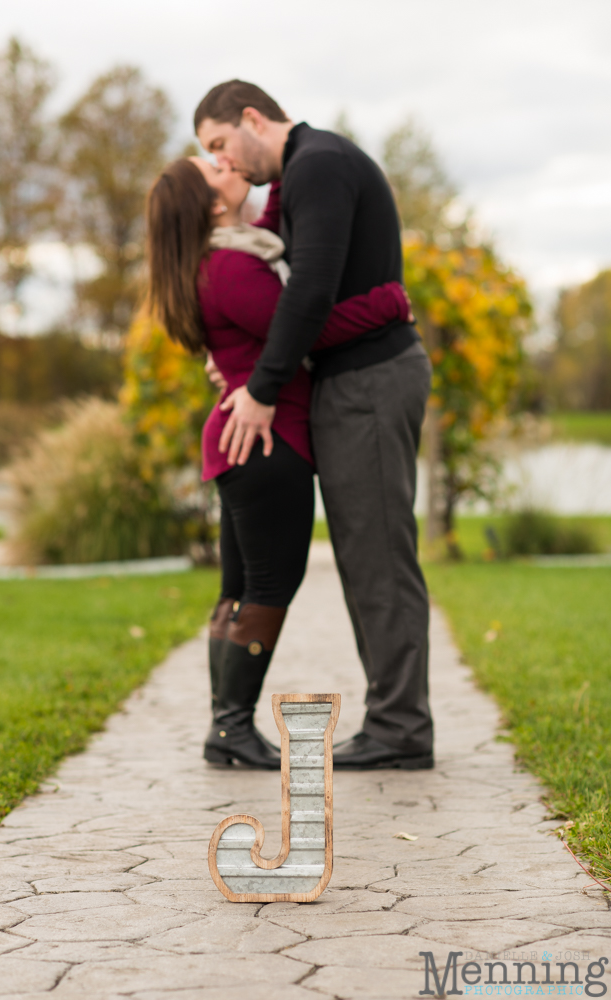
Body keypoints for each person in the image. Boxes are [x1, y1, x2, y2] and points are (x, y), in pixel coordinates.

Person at [194, 80, 434, 771]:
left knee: (377, 558)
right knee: (365, 557)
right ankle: (392, 723)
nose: (225, 164)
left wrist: (262, 386)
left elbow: (312, 286)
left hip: (369, 381)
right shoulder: (291, 185)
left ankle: (400, 730)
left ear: (249, 118)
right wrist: (242, 369)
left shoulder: (318, 164)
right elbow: (271, 289)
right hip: (346, 380)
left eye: (219, 146)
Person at [146, 156, 412, 769]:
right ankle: (232, 726)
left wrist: (290, 160)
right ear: (213, 204)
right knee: (269, 587)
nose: (225, 162)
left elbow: (272, 222)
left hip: (239, 444)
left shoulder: (222, 254)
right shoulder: (235, 267)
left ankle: (225, 727)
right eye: (210, 165)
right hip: (267, 445)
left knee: (238, 589)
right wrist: (386, 305)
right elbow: (306, 328)